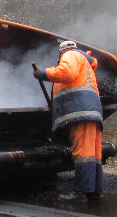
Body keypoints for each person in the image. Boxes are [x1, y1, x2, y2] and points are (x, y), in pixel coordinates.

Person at [33, 40, 104, 201]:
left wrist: (42, 73)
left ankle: (81, 192)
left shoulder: (71, 55)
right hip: (90, 111)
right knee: (93, 153)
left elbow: (66, 73)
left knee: (83, 153)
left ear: (62, 51)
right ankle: (94, 191)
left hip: (81, 111)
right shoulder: (84, 61)